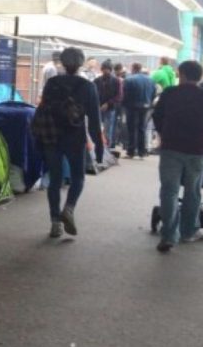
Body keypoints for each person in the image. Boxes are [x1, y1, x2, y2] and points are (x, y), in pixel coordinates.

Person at [151, 60, 203, 253]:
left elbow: (157, 116)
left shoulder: (169, 94)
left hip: (171, 147)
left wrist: (164, 133)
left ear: (181, 75)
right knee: (193, 191)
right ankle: (188, 232)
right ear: (200, 76)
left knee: (169, 191)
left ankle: (168, 235)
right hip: (197, 149)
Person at [35, 47, 104, 239]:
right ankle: (69, 208)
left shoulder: (52, 83)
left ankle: (55, 223)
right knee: (78, 177)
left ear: (62, 63)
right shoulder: (88, 87)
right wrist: (99, 147)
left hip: (52, 136)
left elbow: (44, 107)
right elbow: (95, 119)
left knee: (55, 181)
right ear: (81, 63)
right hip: (75, 137)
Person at [121, 63, 155, 159]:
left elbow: (125, 94)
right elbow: (153, 93)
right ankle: (141, 152)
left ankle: (131, 151)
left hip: (132, 106)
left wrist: (124, 105)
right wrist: (149, 103)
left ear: (133, 69)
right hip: (146, 106)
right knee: (142, 128)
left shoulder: (129, 80)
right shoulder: (150, 80)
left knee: (131, 128)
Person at [94, 60, 121, 147]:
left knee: (108, 129)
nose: (106, 71)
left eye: (107, 69)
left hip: (110, 108)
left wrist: (108, 103)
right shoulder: (97, 81)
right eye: (104, 69)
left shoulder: (116, 81)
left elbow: (119, 95)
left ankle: (107, 146)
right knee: (98, 128)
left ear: (110, 69)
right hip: (98, 108)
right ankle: (98, 145)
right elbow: (93, 94)